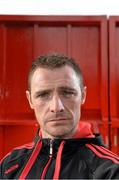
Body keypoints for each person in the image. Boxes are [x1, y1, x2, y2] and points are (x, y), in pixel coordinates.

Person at [0, 54, 119, 179]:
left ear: (83, 95)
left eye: (67, 93)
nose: (56, 107)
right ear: (30, 100)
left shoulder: (111, 171)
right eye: (43, 95)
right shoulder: (9, 165)